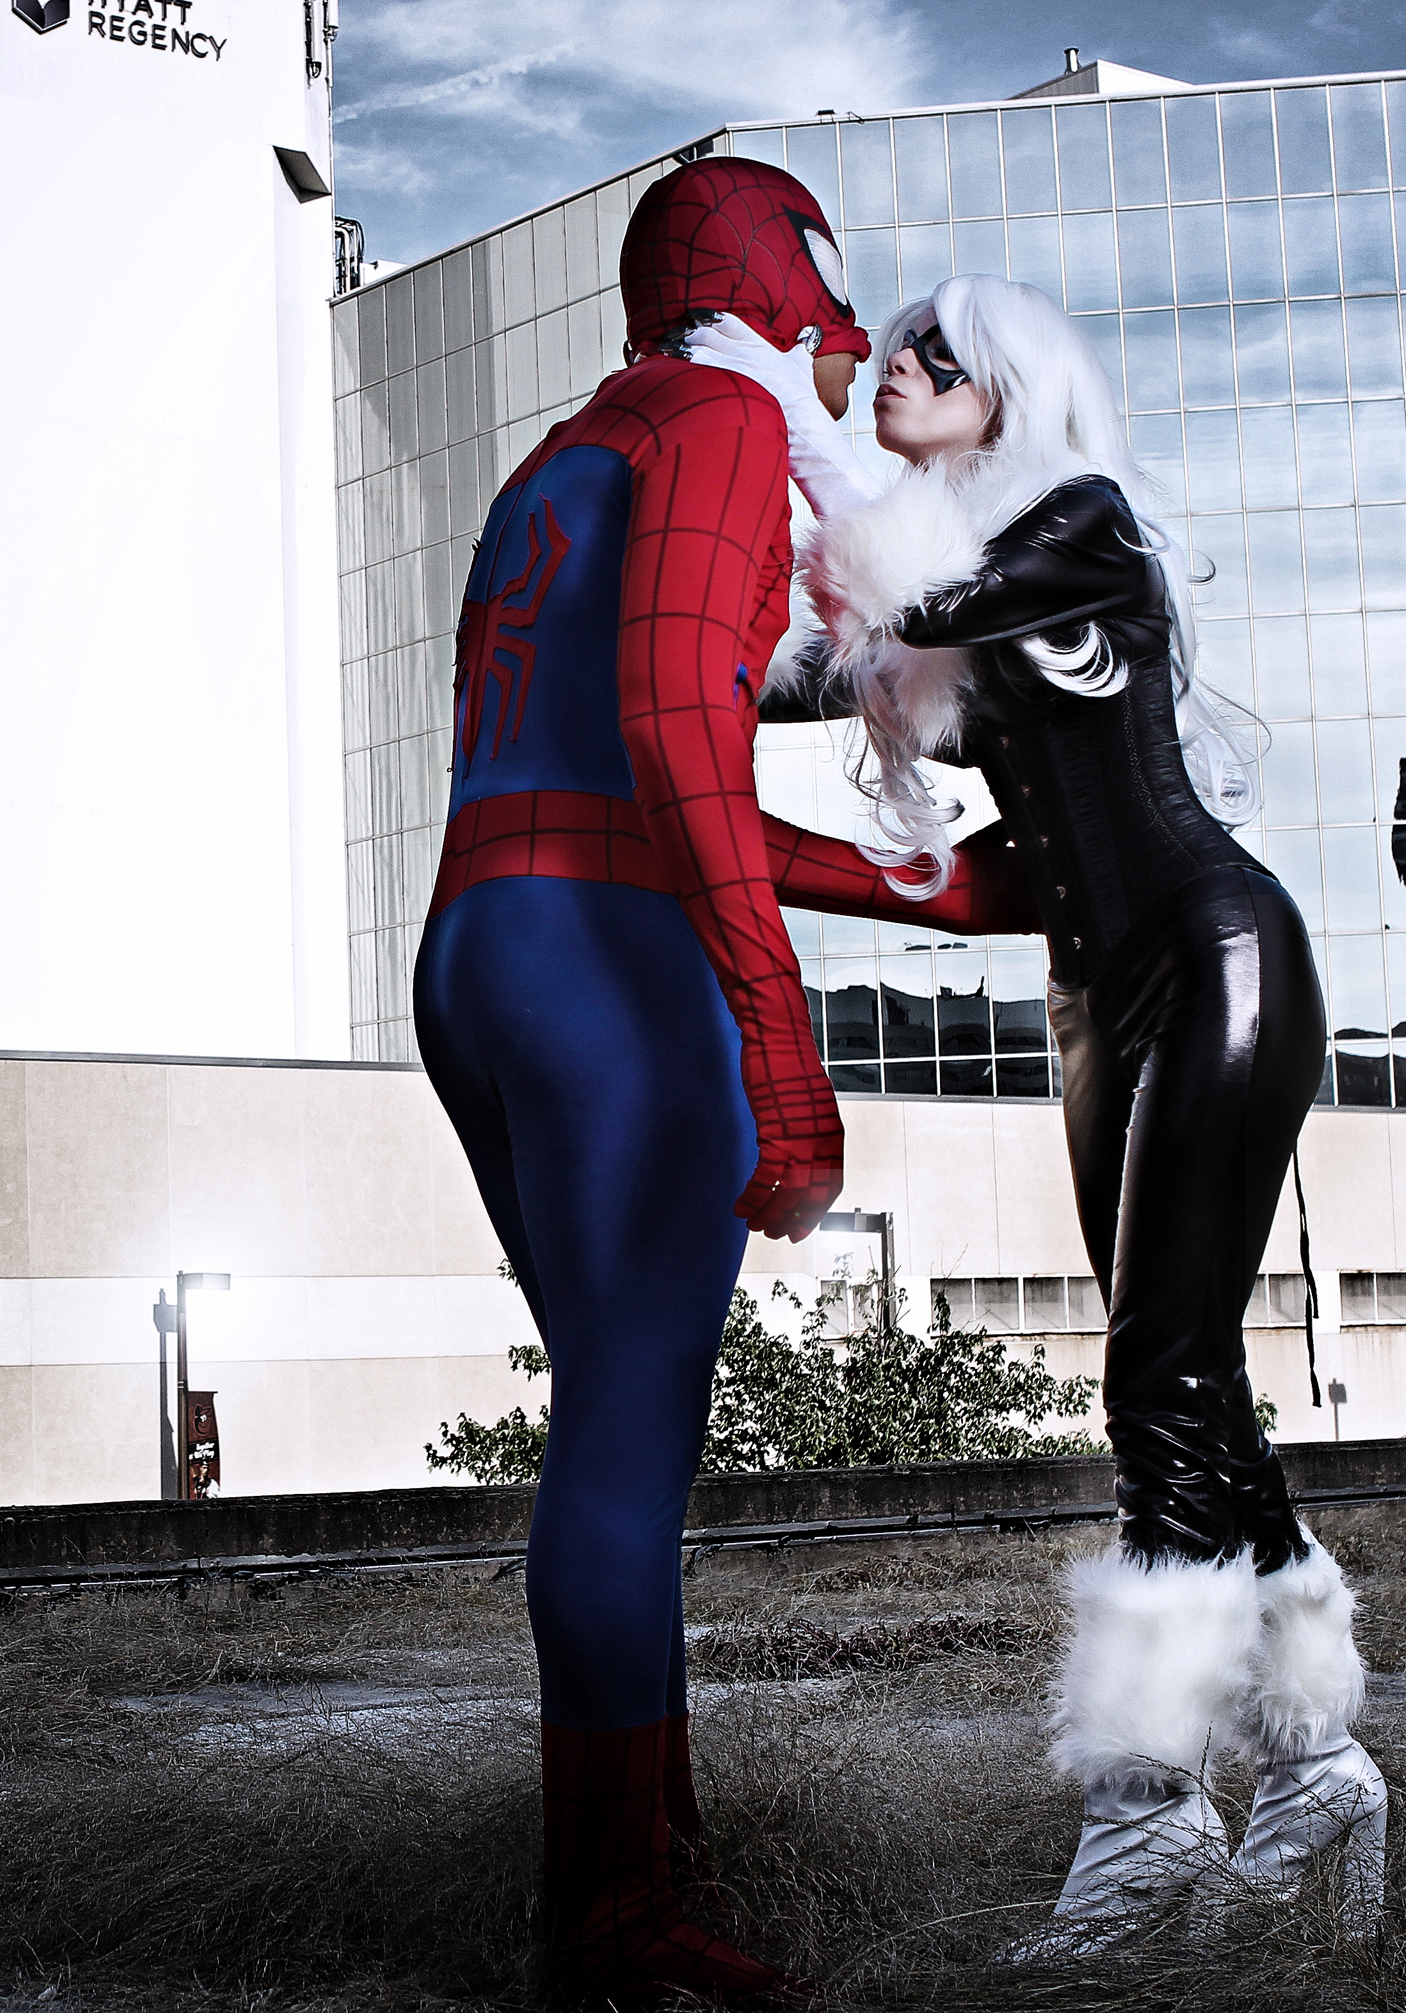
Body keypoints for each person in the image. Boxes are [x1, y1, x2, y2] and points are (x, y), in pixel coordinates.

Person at [686, 273, 1386, 1946]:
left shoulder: (1079, 524)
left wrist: (785, 422)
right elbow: (781, 693)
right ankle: (1315, 1769)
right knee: (1187, 1374)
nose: (897, 371)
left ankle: (1147, 1822)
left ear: (1006, 384)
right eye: (891, 352)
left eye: (935, 356)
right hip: (1092, 1004)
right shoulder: (950, 593)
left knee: (1153, 1378)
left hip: (1217, 958)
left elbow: (917, 597)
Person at [419, 163, 1028, 2006]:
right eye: (836, 337)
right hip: (606, 959)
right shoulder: (717, 421)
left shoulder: (560, 463)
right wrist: (779, 1035)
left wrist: (931, 889)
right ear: (785, 301)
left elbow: (623, 748)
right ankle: (612, 1918)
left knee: (619, 1425)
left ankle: (641, 1852)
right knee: (626, 1436)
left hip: (484, 937)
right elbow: (677, 734)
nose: (850, 375)